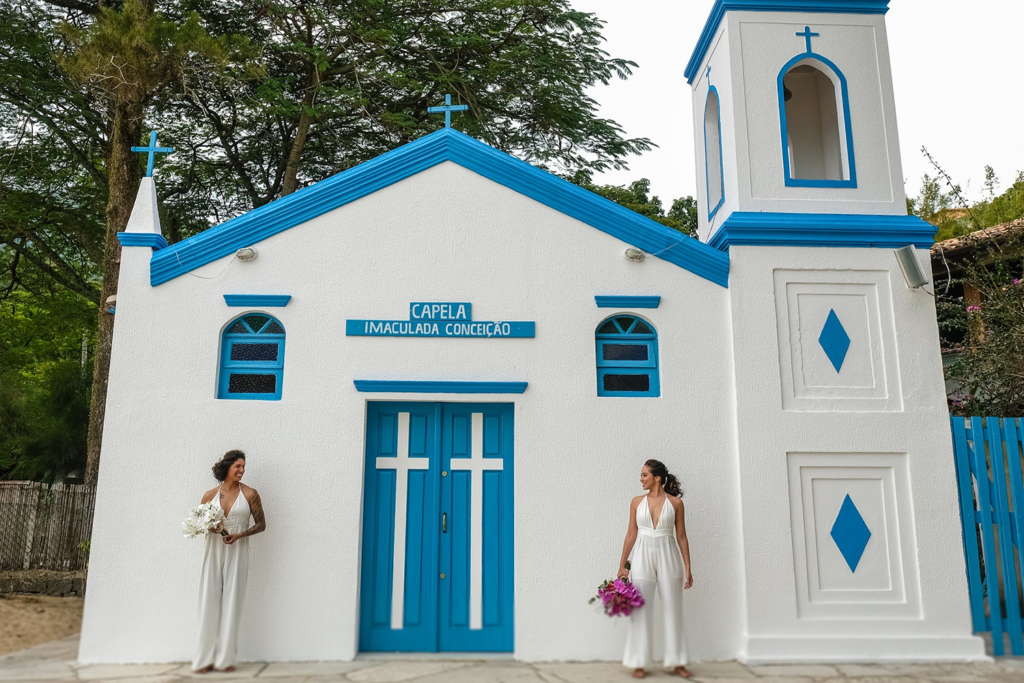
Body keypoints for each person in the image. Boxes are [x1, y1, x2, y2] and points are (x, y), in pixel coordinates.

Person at [192, 450, 266, 673]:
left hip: (238, 549)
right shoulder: (209, 495)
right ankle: (203, 659)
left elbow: (262, 524)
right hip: (213, 549)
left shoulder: (251, 494)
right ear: (227, 468)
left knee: (232, 600)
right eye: (238, 466)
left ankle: (225, 659)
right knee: (208, 599)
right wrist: (209, 527)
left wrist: (239, 535)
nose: (242, 470)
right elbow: (197, 524)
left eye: (244, 466)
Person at [617, 459, 693, 679]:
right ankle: (638, 661)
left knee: (673, 608)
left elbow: (681, 536)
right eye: (641, 475)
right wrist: (622, 565)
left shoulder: (676, 503)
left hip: (669, 555)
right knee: (640, 609)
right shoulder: (636, 502)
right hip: (641, 556)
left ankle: (677, 661)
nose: (641, 479)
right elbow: (631, 534)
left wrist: (688, 567)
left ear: (657, 477)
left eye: (644, 475)